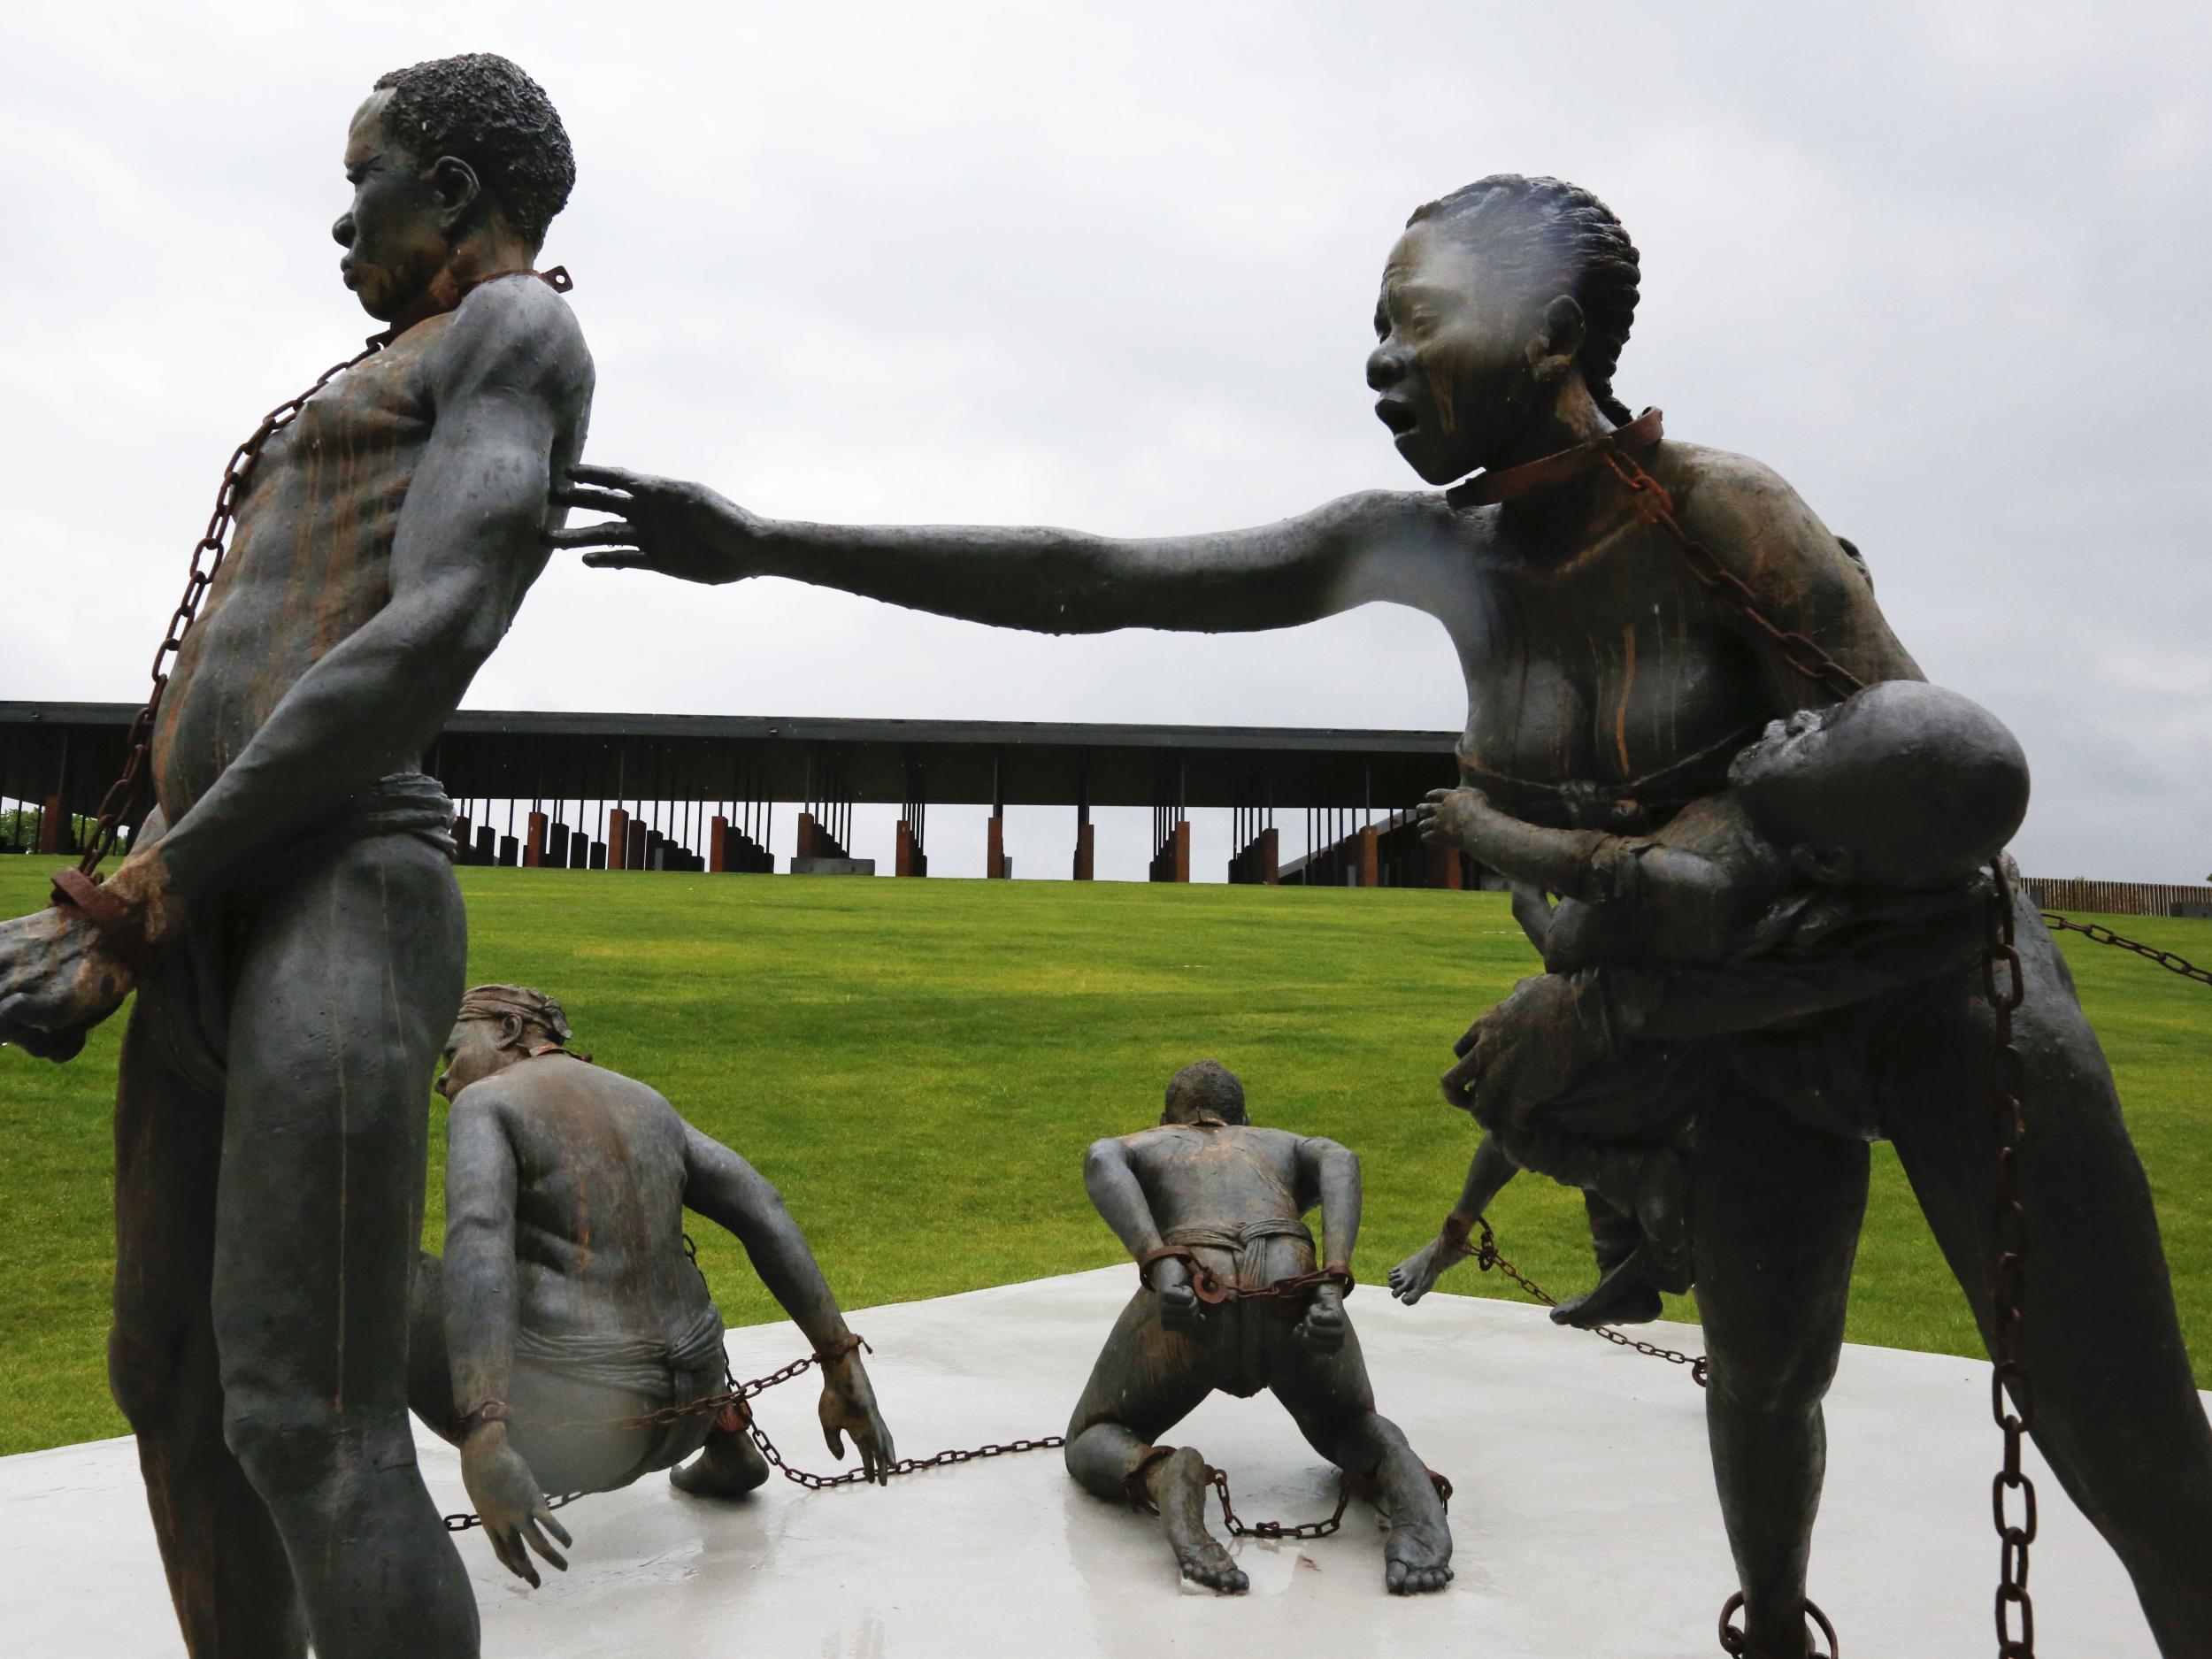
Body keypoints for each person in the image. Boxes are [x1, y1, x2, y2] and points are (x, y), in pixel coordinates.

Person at [557, 173, 2211, 1654]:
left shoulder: (1726, 515)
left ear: (1554, 330)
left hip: (1929, 997)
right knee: (1769, 1376)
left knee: (2121, 1437)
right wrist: (776, 546)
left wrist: (1615, 992)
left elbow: (1924, 815)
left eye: (1414, 319)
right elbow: (1099, 577)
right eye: (1372, 327)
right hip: (1734, 1040)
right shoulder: (1427, 553)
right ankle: (1772, 1630)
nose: (1378, 358)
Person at [0, 54, 592, 1659]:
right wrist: (155, 893)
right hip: (201, 905)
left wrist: (146, 890)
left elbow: (434, 628)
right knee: (170, 1379)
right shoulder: (384, 362)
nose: (342, 221)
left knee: (304, 1411)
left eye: (367, 179)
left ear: (453, 189)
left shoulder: (514, 331)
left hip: (337, 886)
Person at [1390, 681, 2029, 1328]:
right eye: (1822, 717)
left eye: (1817, 739)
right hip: (1623, 1003)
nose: (1795, 719)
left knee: (1502, 1104)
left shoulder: (1719, 880)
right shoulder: (1779, 829)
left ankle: (1635, 1187)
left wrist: (1477, 824)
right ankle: (1626, 1250)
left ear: (1828, 855)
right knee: (1527, 1099)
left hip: (1633, 1023)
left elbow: (1589, 873)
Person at [411, 986, 895, 1588]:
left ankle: (378, 1493)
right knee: (650, 1272)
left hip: (573, 1430)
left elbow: (479, 1239)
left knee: (389, 1276)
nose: (443, 1080)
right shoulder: (645, 1101)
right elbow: (763, 1209)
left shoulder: (486, 1104)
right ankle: (726, 1439)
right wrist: (840, 1363)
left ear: (508, 1028)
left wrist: (483, 1433)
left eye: (451, 1053)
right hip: (685, 1409)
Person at [1065, 1060, 1452, 1596]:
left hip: (1197, 1280)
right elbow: (1340, 1158)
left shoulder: (1149, 1142)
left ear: (1163, 1119)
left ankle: (1160, 1473)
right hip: (1290, 1275)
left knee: (1091, 1436)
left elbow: (1101, 1156)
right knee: (1350, 1424)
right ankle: (1405, 1486)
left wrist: (1159, 1259)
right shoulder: (1279, 1141)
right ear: (1244, 1118)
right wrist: (1330, 1279)